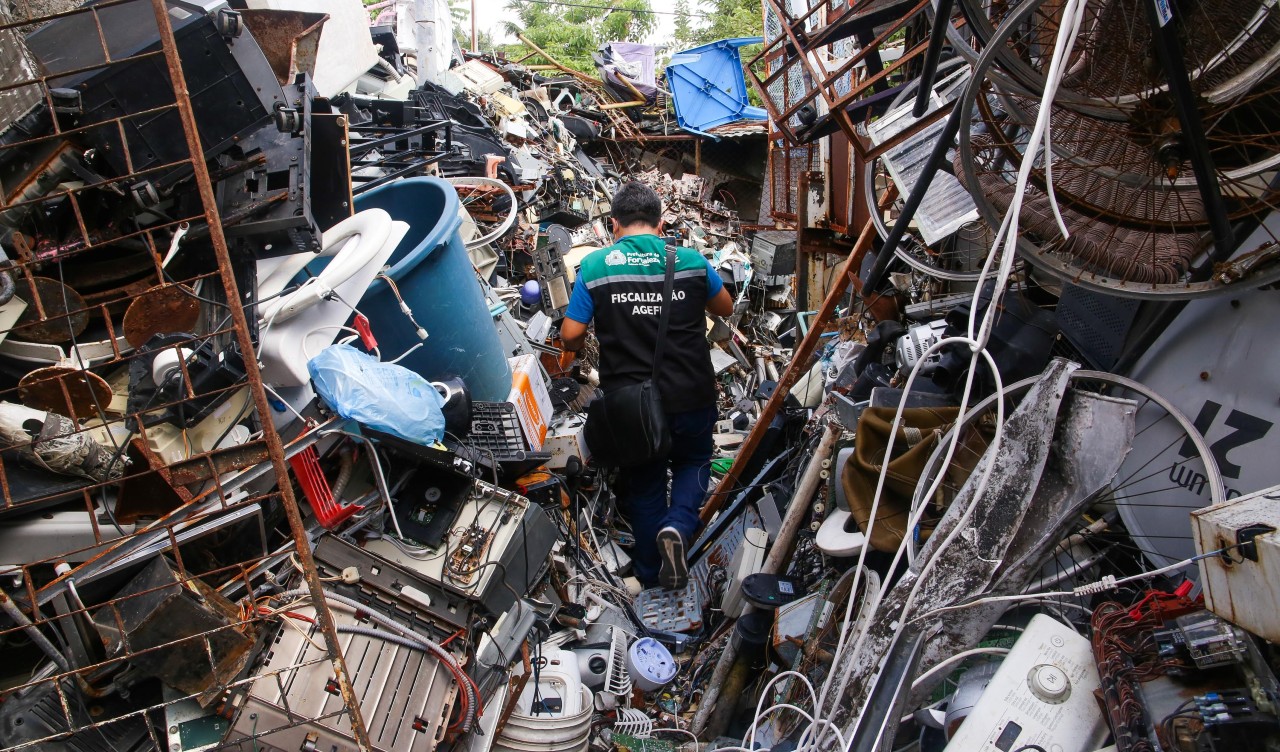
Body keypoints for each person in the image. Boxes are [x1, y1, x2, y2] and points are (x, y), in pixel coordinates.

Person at [560, 182, 734, 590]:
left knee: (645, 481)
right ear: (661, 222)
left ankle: (651, 574)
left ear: (614, 224)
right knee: (694, 462)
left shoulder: (596, 267)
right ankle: (679, 525)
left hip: (632, 405)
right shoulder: (689, 259)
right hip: (692, 391)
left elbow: (570, 335)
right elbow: (725, 307)